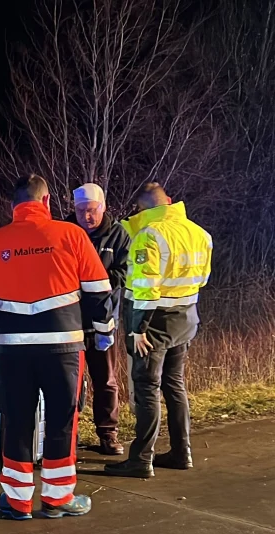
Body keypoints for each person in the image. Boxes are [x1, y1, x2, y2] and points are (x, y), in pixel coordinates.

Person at [0, 174, 115, 520]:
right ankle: (57, 499)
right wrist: (103, 331)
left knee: (17, 421)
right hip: (63, 350)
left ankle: (17, 502)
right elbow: (98, 291)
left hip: (14, 352)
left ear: (13, 206)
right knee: (63, 421)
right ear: (47, 202)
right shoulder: (72, 235)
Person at [104, 182, 212, 479]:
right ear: (170, 201)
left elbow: (145, 288)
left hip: (154, 323)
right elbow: (202, 279)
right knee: (174, 385)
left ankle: (141, 459)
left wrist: (138, 329)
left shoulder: (149, 236)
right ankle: (182, 451)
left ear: (143, 209)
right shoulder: (200, 233)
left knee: (146, 387)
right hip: (186, 318)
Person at [73, 183, 131, 456]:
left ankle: (108, 434)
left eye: (92, 210)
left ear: (103, 207)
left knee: (105, 380)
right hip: (70, 321)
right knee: (67, 383)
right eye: (81, 210)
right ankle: (66, 435)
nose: (87, 216)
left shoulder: (118, 235)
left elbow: (125, 272)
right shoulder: (66, 234)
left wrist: (97, 283)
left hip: (104, 323)